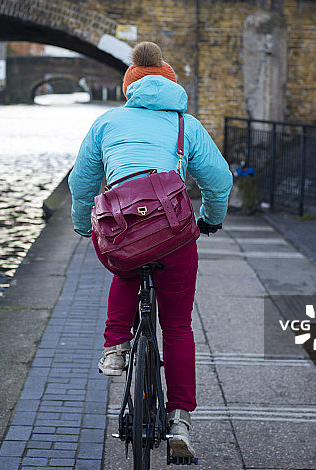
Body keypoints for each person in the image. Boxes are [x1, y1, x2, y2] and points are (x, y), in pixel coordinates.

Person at [68, 41, 233, 459]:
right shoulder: (186, 126)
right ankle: (180, 421)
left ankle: (115, 346)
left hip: (124, 231)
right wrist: (210, 219)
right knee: (177, 327)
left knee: (125, 265)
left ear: (130, 87)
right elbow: (220, 181)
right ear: (170, 82)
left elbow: (81, 184)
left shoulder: (107, 122)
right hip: (175, 233)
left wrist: (78, 223)